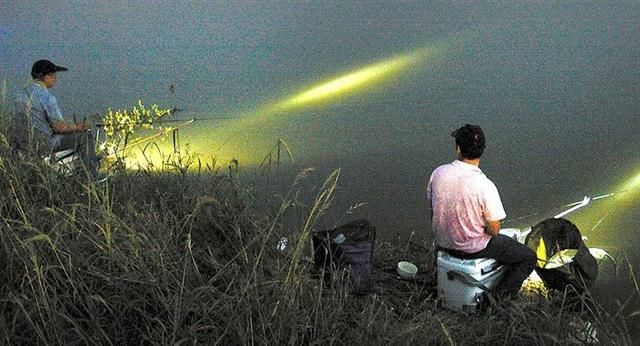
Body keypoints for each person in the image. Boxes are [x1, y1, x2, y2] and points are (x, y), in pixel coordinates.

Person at [426, 124, 536, 300]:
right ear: (482, 151)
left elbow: (433, 211)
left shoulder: (438, 173)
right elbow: (494, 230)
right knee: (528, 257)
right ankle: (497, 300)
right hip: (473, 248)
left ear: (458, 149)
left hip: (443, 242)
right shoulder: (485, 185)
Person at [13, 59, 102, 179]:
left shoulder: (19, 95)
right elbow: (58, 127)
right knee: (85, 137)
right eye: (53, 75)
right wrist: (79, 126)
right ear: (45, 77)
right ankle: (91, 178)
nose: (55, 78)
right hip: (45, 144)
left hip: (25, 145)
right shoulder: (47, 97)